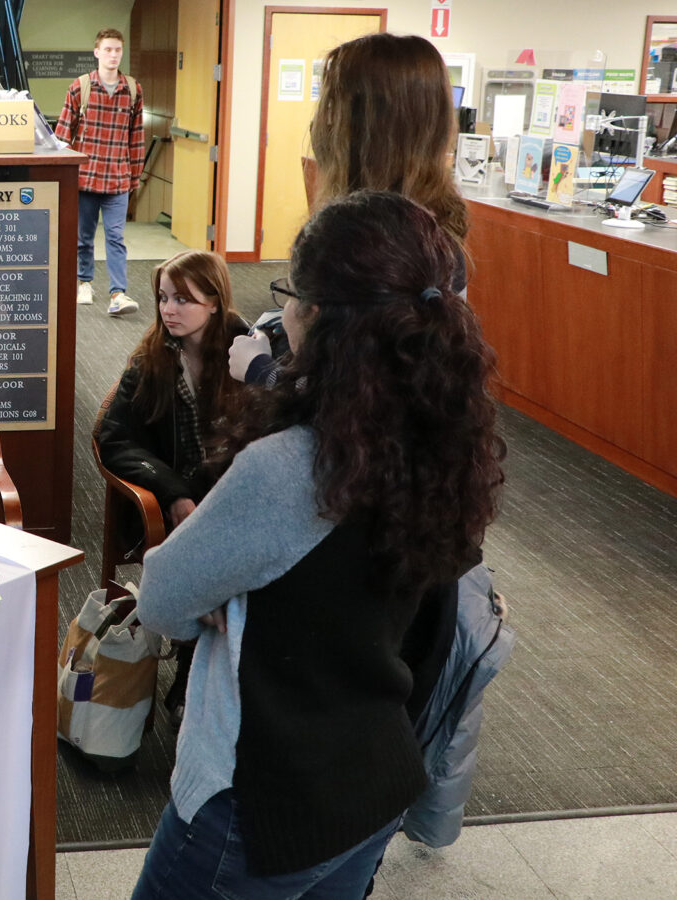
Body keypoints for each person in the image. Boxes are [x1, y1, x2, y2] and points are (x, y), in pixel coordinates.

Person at [130, 190, 506, 899]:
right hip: (376, 778)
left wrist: (231, 590)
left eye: (290, 295)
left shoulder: (293, 467)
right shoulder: (447, 439)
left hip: (259, 804)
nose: (282, 314)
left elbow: (163, 601)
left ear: (321, 318)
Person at [230, 33, 469, 387]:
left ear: (359, 125)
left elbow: (354, 399)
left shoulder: (363, 247)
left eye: (329, 104)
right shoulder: (437, 237)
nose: (317, 124)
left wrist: (263, 371)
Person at [96, 249, 248, 719]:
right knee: (212, 553)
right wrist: (173, 491)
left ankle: (221, 679)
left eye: (183, 299)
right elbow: (113, 436)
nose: (168, 309)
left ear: (216, 302)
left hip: (240, 494)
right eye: (163, 297)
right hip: (174, 500)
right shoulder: (151, 358)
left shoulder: (250, 353)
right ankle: (193, 680)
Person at [55, 27, 144, 317]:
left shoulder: (132, 89)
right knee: (83, 237)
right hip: (85, 178)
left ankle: (118, 293)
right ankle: (84, 282)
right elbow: (62, 137)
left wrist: (135, 177)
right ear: (97, 53)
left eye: (118, 50)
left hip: (118, 178)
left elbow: (137, 137)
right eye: (107, 49)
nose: (113, 55)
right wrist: (62, 177)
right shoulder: (80, 87)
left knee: (116, 237)